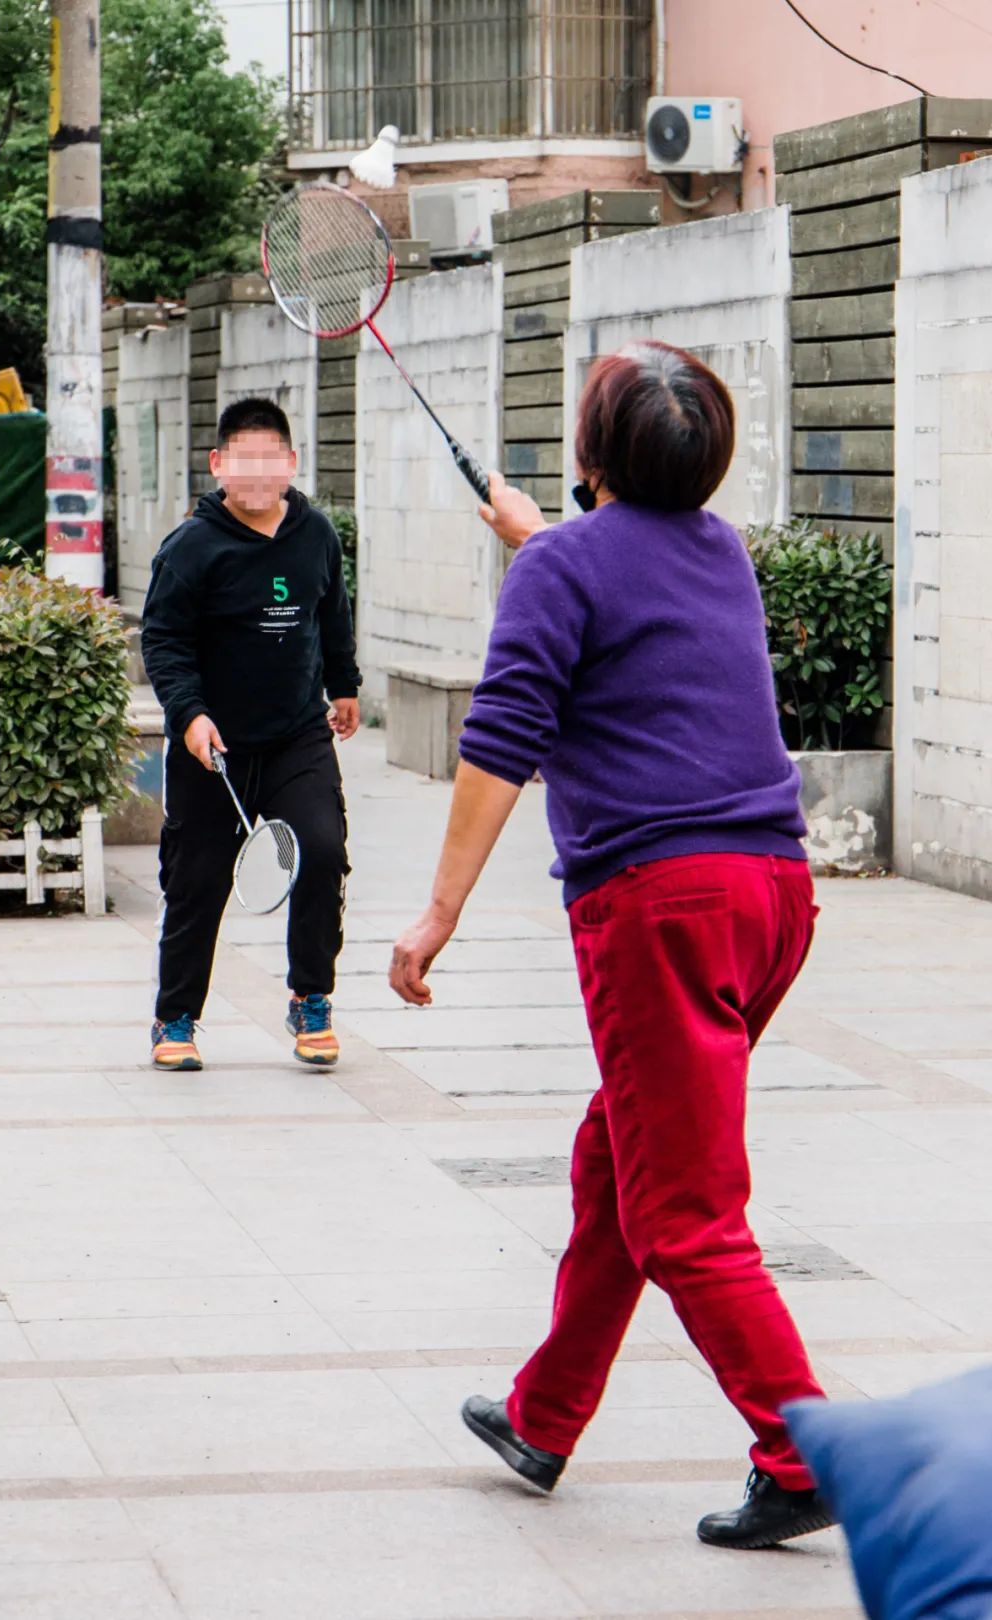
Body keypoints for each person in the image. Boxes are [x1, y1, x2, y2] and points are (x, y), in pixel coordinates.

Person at [389, 342, 834, 1550]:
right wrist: (546, 544)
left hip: (663, 910)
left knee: (683, 1212)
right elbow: (615, 580)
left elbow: (501, 740)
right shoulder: (720, 554)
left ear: (590, 457)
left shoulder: (563, 569)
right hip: (773, 897)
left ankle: (806, 1455)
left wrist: (436, 914)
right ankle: (545, 1414)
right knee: (617, 1161)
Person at [142, 396, 360, 1072]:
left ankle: (310, 997)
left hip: (298, 736)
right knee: (197, 881)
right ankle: (175, 1016)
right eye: (245, 460)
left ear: (291, 464)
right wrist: (190, 714)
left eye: (272, 460)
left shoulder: (316, 534)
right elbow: (163, 640)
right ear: (218, 465)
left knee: (321, 853)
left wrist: (345, 685)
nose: (260, 474)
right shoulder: (191, 548)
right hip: (216, 748)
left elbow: (331, 615)